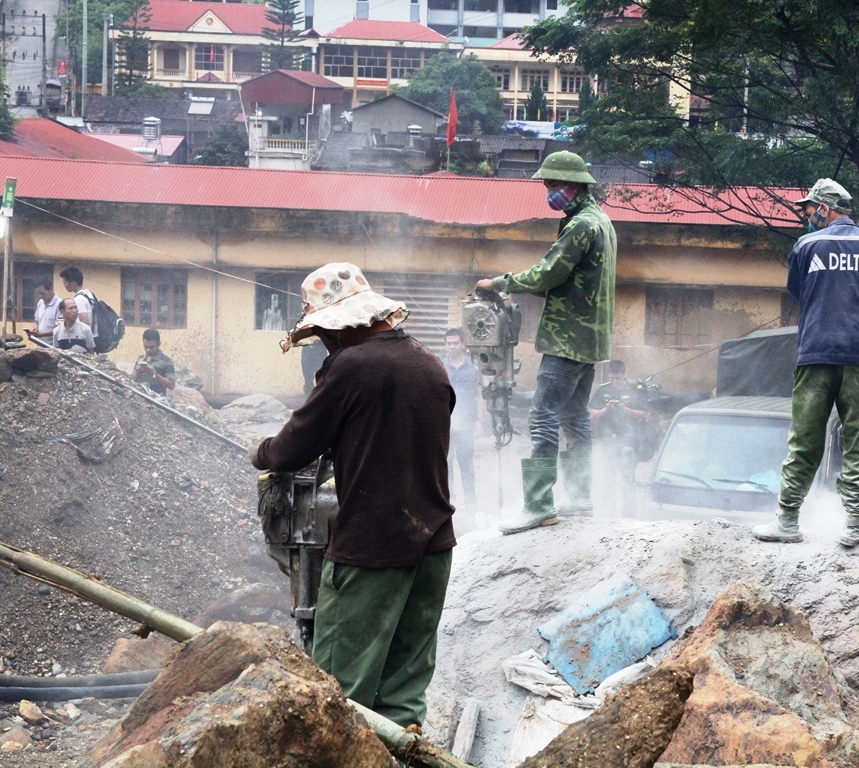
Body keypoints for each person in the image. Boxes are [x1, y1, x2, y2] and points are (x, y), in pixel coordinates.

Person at [249, 263, 455, 729]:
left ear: (343, 325)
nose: (323, 342)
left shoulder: (352, 366)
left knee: (337, 698)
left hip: (371, 551)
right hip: (434, 547)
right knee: (403, 698)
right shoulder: (429, 362)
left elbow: (293, 446)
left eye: (323, 332)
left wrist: (260, 452)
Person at [753, 178, 859, 548]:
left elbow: (797, 291)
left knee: (804, 439)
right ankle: (853, 526)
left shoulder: (806, 245)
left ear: (824, 208)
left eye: (809, 210)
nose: (806, 216)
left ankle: (788, 521)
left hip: (815, 354)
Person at [475, 150, 617, 534]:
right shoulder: (602, 221)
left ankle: (539, 504)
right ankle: (581, 497)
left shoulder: (580, 226)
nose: (549, 192)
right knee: (575, 417)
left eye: (553, 185)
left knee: (542, 417)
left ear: (573, 185)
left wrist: (499, 283)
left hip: (567, 337)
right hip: (589, 340)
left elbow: (549, 274)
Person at [589, 360, 653, 518]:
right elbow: (591, 414)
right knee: (608, 481)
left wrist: (625, 409)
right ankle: (606, 515)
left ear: (624, 374)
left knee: (628, 481)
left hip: (629, 442)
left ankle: (629, 517)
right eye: (612, 378)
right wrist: (606, 408)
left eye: (618, 378)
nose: (615, 382)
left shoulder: (636, 390)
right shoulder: (603, 390)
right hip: (608, 442)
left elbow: (646, 414)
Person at [442, 328, 478, 515]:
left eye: (456, 343)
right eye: (449, 343)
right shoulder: (440, 368)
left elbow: (478, 395)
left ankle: (471, 504)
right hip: (445, 426)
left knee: (467, 465)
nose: (452, 346)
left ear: (463, 345)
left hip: (466, 426)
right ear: (445, 346)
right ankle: (449, 503)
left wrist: (478, 421)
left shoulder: (474, 368)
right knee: (445, 466)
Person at [133, 328, 176, 396]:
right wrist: (138, 373)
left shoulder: (167, 361)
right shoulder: (140, 359)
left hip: (157, 402)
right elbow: (132, 381)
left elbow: (171, 385)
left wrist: (155, 374)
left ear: (159, 344)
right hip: (140, 400)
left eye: (151, 347)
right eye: (145, 346)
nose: (148, 350)